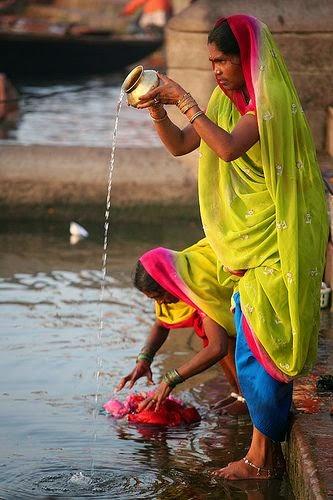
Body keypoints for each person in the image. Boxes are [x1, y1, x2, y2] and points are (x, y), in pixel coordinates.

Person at [133, 14, 329, 479]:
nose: (216, 69)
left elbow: (227, 149)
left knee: (264, 342)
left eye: (223, 60)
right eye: (211, 62)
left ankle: (260, 460)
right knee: (253, 342)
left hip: (278, 235)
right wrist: (159, 110)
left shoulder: (270, 101)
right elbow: (183, 145)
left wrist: (183, 97)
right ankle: (264, 454)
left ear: (248, 57)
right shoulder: (226, 100)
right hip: (250, 245)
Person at [116, 238, 247, 415]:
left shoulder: (197, 286)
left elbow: (218, 347)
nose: (161, 302)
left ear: (167, 280)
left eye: (159, 296)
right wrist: (144, 360)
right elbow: (162, 324)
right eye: (154, 299)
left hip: (246, 282)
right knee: (212, 331)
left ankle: (247, 398)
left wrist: (171, 379)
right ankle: (237, 392)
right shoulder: (172, 280)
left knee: (223, 333)